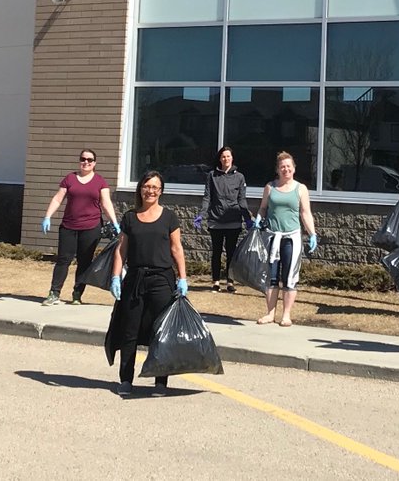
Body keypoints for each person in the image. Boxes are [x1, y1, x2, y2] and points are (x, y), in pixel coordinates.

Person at [106, 169, 188, 398]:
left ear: (160, 191)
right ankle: (125, 379)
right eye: (147, 186)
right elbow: (121, 250)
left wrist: (182, 278)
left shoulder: (169, 217)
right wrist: (115, 276)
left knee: (160, 332)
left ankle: (160, 381)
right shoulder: (130, 217)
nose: (150, 191)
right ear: (140, 188)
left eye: (155, 187)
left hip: (162, 280)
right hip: (135, 280)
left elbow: (176, 249)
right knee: (129, 331)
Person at [39, 150, 120, 305]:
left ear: (94, 163)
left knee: (84, 261)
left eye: (90, 160)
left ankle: (77, 294)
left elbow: (106, 203)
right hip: (68, 226)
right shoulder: (70, 178)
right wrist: (47, 216)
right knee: (63, 259)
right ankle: (54, 293)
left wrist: (114, 222)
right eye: (83, 159)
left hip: (91, 227)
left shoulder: (100, 181)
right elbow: (58, 198)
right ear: (79, 161)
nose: (86, 162)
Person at [254, 152, 317, 328]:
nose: (286, 169)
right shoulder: (270, 187)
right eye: (282, 167)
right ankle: (270, 313)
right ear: (278, 169)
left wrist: (312, 233)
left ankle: (286, 315)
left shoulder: (300, 189)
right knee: (271, 277)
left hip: (292, 237)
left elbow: (305, 213)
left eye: (289, 166)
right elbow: (263, 208)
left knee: (289, 276)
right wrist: (259, 219)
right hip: (272, 237)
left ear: (294, 168)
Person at [195, 146, 249, 292]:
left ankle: (230, 282)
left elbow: (242, 200)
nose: (226, 159)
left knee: (231, 252)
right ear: (220, 158)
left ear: (232, 158)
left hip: (233, 220)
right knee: (216, 252)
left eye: (228, 156)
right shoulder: (212, 175)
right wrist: (202, 214)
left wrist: (248, 218)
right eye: (223, 156)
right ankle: (216, 281)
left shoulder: (239, 177)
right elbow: (207, 197)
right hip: (216, 220)